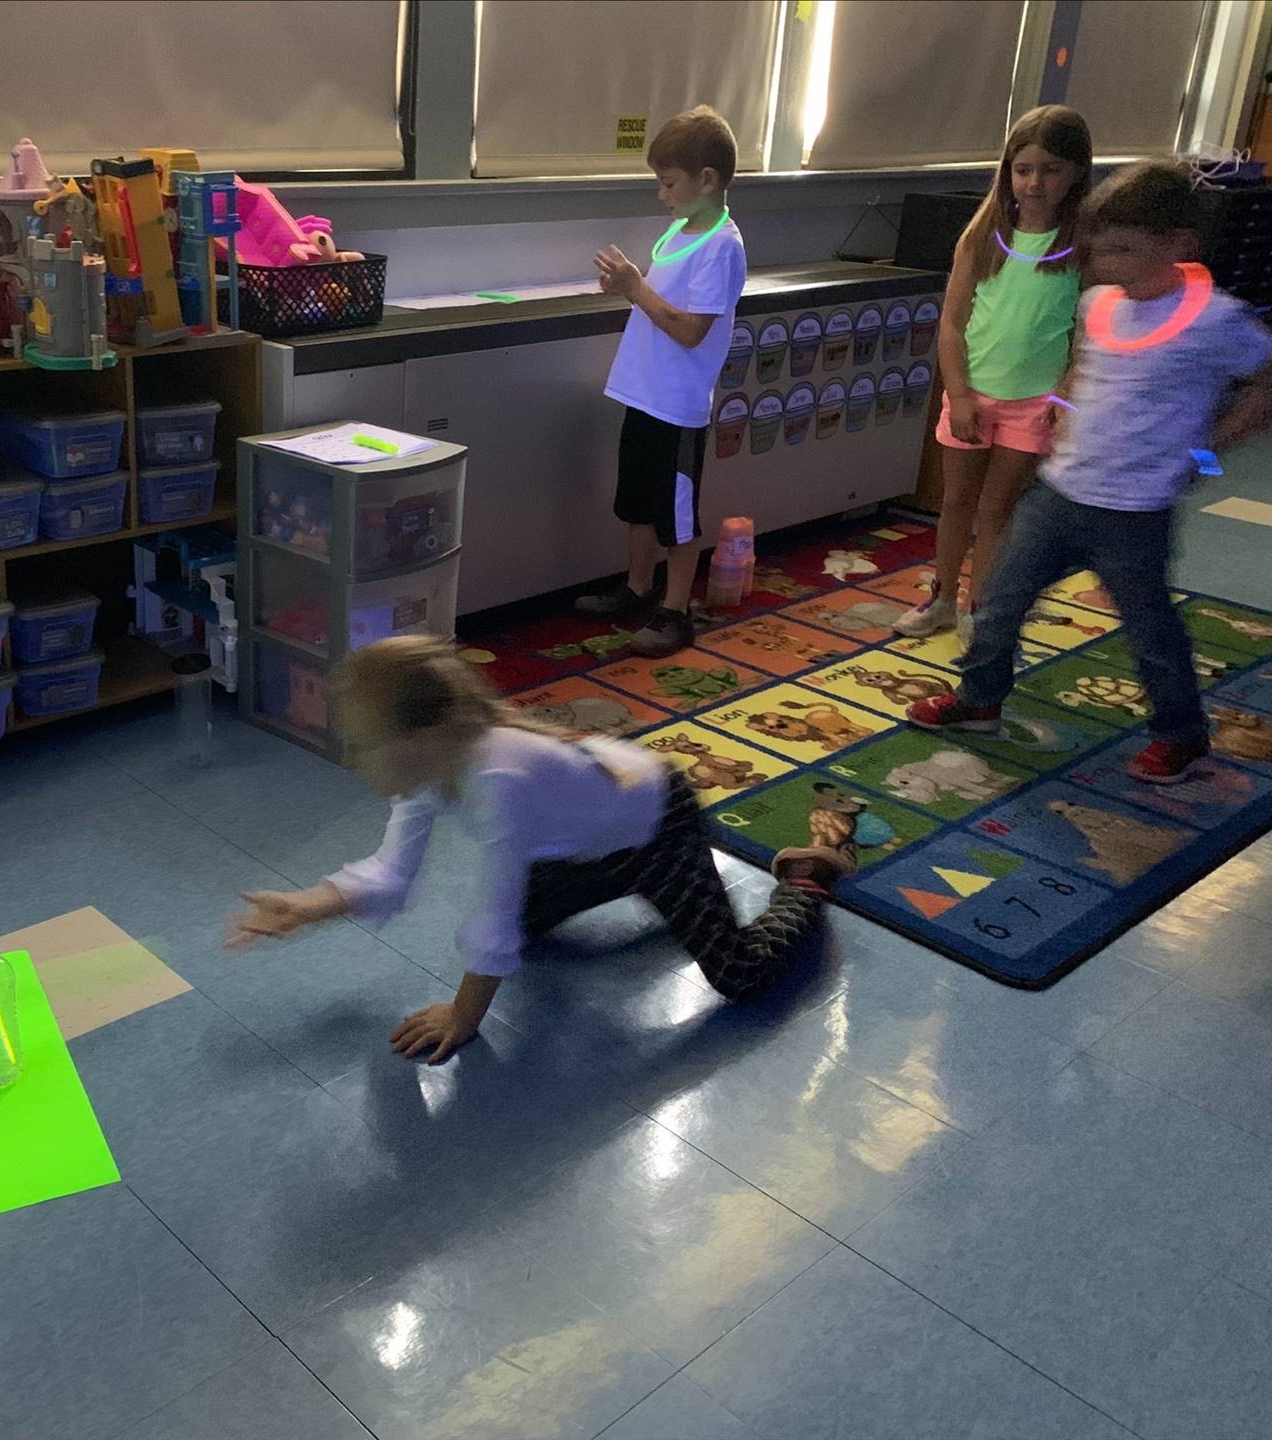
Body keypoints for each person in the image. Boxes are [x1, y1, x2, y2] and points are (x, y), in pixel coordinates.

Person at [225, 638, 849, 1063]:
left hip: (660, 826)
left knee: (738, 975)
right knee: (527, 928)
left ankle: (806, 879)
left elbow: (491, 920)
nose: (356, 760)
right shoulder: (432, 767)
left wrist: (463, 1017)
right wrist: (308, 906)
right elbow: (392, 872)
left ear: (423, 735)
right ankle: (666, 897)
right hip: (589, 839)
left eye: (367, 744)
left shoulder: (497, 779)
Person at [909, 160, 1272, 784]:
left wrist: (1208, 451)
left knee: (1148, 629)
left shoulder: (1213, 319)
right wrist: (1063, 408)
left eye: (1123, 249)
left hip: (1135, 511)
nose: (1104, 260)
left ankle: (1182, 734)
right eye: (1099, 247)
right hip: (1060, 493)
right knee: (1001, 601)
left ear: (1178, 247)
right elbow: (1083, 367)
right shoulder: (1097, 304)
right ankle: (978, 700)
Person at [894, 105, 1092, 638]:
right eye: (1022, 169)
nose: (1034, 182)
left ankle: (981, 607)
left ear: (1075, 172)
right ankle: (941, 598)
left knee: (997, 508)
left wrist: (1064, 397)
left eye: (1050, 169)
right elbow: (952, 324)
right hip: (972, 397)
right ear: (1007, 172)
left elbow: (1087, 336)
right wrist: (958, 395)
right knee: (955, 501)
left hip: (1034, 404)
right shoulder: (981, 239)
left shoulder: (1080, 249)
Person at [575, 106, 748, 658]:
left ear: (707, 180)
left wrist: (634, 289)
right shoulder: (679, 231)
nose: (661, 194)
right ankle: (636, 586)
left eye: (668, 182)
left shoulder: (723, 246)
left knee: (675, 514)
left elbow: (691, 329)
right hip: (643, 392)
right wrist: (626, 286)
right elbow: (661, 303)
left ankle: (675, 610)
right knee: (638, 502)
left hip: (677, 404)